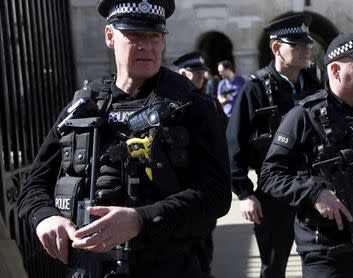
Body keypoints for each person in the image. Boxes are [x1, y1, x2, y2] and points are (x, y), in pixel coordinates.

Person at [17, 0, 231, 277]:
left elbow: (216, 195)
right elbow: (33, 186)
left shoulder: (191, 106)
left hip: (171, 266)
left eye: (154, 36)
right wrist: (45, 217)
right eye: (134, 35)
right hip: (92, 268)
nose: (146, 46)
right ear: (110, 36)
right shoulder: (84, 105)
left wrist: (140, 220)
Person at [260, 32, 353, 278]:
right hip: (326, 251)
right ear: (335, 71)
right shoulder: (304, 116)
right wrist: (315, 193)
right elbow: (270, 176)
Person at [226, 14, 321, 278]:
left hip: (313, 187)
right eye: (297, 44)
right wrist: (244, 193)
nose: (306, 49)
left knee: (320, 260)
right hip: (274, 192)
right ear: (277, 48)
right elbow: (234, 143)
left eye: (307, 44)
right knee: (274, 265)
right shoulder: (254, 89)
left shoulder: (313, 84)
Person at [173, 51, 226, 277]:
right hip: (181, 183)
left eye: (202, 73)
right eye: (196, 73)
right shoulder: (172, 103)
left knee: (205, 240)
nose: (202, 77)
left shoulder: (210, 103)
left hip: (206, 182)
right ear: (182, 74)